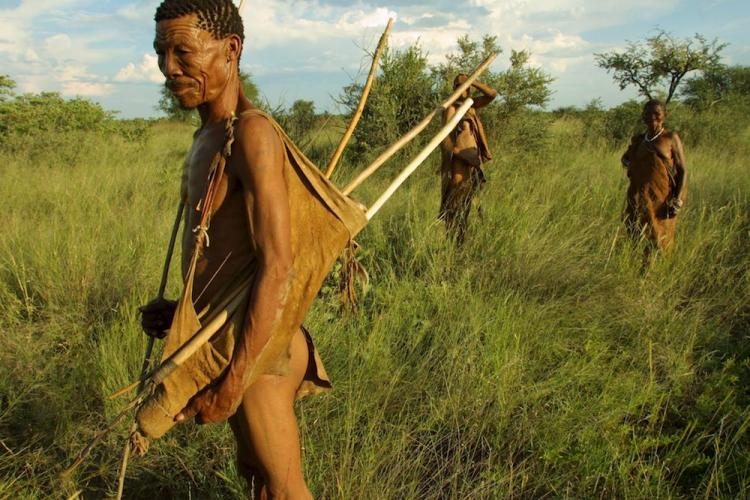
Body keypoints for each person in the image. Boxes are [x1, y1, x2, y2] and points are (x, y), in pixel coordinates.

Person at [138, 1, 367, 497]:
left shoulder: (253, 134)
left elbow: (278, 266)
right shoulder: (207, 136)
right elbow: (229, 256)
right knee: (260, 483)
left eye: (183, 51)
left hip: (261, 352)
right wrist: (179, 311)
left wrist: (237, 380)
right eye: (160, 52)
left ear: (231, 50)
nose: (168, 68)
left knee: (286, 492)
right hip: (228, 340)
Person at [620, 100, 688, 256]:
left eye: (657, 113)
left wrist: (677, 200)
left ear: (664, 115)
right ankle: (639, 271)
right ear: (643, 116)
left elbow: (682, 170)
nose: (652, 117)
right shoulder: (639, 140)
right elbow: (625, 159)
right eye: (648, 113)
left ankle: (659, 272)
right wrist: (632, 165)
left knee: (660, 239)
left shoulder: (671, 138)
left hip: (662, 200)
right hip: (638, 196)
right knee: (636, 234)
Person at [439, 73, 497, 244]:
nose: (463, 89)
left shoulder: (471, 106)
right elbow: (445, 137)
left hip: (473, 162)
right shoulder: (452, 108)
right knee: (454, 204)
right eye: (459, 85)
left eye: (466, 86)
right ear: (454, 89)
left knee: (467, 204)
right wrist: (457, 152)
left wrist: (474, 81)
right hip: (459, 162)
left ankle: (460, 243)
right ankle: (453, 242)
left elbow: (492, 94)